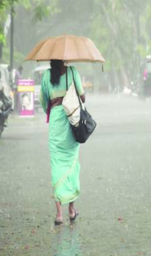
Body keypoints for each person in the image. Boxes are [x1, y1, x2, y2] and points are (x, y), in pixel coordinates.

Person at [40, 60, 85, 225]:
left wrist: (54, 107)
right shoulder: (73, 72)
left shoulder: (46, 75)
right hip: (71, 122)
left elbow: (44, 103)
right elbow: (83, 97)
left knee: (57, 165)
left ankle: (59, 214)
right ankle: (71, 210)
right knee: (71, 165)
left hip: (56, 123)